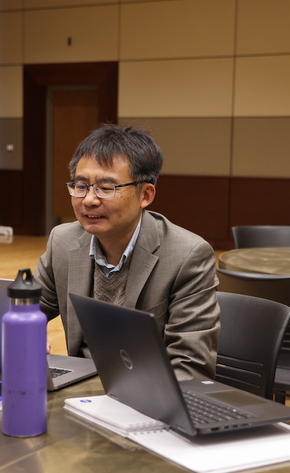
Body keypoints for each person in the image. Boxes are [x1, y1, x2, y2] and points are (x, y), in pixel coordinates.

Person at [34, 124, 219, 380]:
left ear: (145, 195)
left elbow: (190, 369)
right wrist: (25, 327)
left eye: (106, 188)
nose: (89, 199)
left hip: (149, 397)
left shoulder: (187, 255)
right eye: (81, 186)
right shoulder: (63, 241)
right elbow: (24, 307)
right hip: (79, 391)